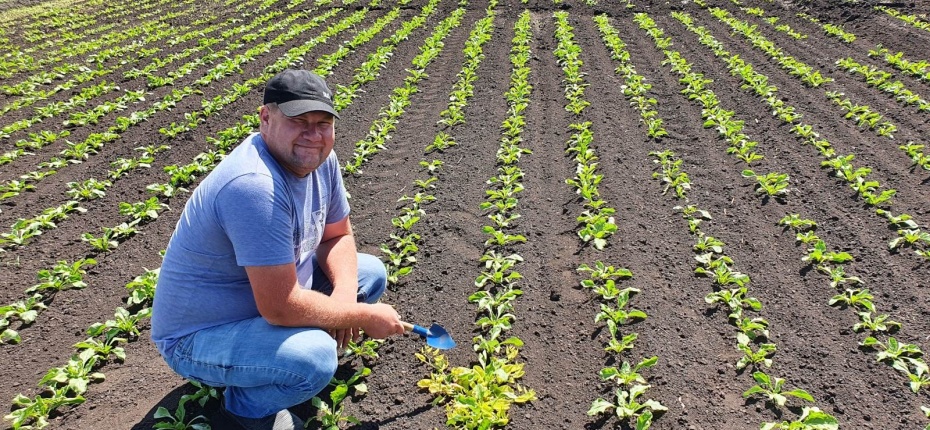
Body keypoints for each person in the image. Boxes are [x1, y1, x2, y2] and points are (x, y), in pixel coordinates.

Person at [151, 68, 406, 430]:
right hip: (200, 336)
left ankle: (277, 365)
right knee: (315, 359)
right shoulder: (254, 186)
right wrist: (359, 317)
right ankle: (245, 408)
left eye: (323, 123)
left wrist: (345, 302)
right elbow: (280, 306)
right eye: (299, 121)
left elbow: (338, 236)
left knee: (368, 274)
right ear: (266, 118)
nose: (313, 135)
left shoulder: (321, 160)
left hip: (264, 303)